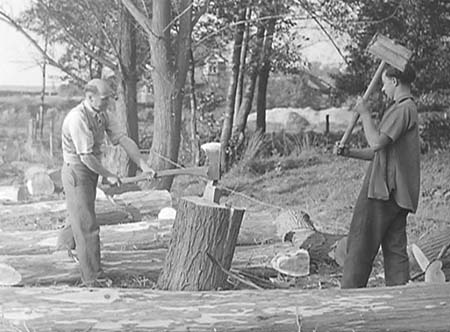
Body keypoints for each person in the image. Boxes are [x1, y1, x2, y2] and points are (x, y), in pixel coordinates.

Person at [57, 78, 154, 287]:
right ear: (90, 97)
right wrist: (109, 174)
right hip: (77, 171)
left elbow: (123, 140)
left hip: (90, 169)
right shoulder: (77, 118)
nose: (109, 101)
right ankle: (93, 279)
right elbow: (86, 157)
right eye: (104, 98)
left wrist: (143, 165)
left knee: (81, 213)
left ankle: (62, 252)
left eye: (110, 97)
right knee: (87, 225)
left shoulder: (103, 115)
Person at [334, 64, 420, 288]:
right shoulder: (404, 109)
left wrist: (364, 113)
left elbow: (376, 141)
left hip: (383, 192)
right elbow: (378, 152)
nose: (382, 89)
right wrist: (349, 152)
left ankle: (349, 298)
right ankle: (399, 300)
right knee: (395, 250)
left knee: (360, 245)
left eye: (384, 83)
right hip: (397, 194)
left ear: (394, 81)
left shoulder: (403, 109)